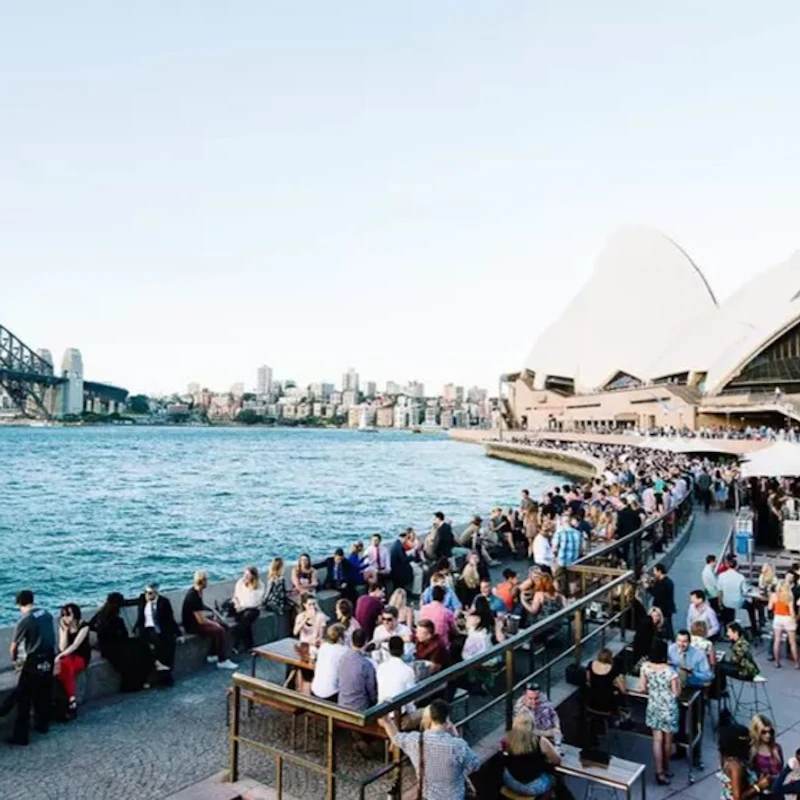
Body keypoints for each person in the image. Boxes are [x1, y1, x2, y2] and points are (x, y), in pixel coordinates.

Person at [380, 699, 480, 800]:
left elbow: (395, 737)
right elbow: (475, 765)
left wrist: (386, 719)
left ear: (430, 718)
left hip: (427, 796)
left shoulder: (415, 741)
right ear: (447, 719)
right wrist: (456, 736)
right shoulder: (458, 746)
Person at [6, 590, 55, 745]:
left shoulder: (25, 620)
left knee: (24, 699)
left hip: (34, 661)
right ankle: (43, 725)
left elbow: (14, 647)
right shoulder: (46, 614)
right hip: (49, 658)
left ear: (19, 603)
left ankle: (21, 736)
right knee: (43, 693)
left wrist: (15, 661)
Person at [91, 592, 158, 691]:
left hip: (105, 646)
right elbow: (124, 635)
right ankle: (148, 674)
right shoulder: (117, 620)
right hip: (117, 646)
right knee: (141, 647)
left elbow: (90, 625)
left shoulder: (100, 615)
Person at [639, 639, 680, 786]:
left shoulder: (645, 667)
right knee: (668, 741)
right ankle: (667, 767)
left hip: (654, 704)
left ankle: (659, 772)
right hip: (668, 707)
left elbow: (642, 688)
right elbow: (676, 692)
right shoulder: (670, 671)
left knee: (657, 740)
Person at [181, 572, 238, 669]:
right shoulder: (193, 596)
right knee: (219, 630)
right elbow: (201, 621)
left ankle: (213, 654)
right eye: (206, 580)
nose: (208, 582)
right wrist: (214, 623)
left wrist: (211, 610)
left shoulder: (198, 592)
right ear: (202, 582)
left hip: (196, 621)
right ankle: (222, 660)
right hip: (191, 625)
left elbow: (200, 606)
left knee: (224, 626)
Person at [502, 713, 561, 797]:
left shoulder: (508, 739)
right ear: (532, 726)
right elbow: (557, 760)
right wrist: (557, 747)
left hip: (510, 781)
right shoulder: (541, 741)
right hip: (532, 787)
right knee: (554, 778)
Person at [134, 583, 181, 678]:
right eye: (146, 592)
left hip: (161, 629)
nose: (147, 595)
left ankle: (166, 673)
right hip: (146, 629)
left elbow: (170, 619)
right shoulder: (142, 599)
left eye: (150, 593)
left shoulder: (164, 602)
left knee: (169, 644)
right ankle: (162, 672)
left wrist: (179, 633)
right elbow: (129, 602)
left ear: (156, 593)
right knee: (156, 645)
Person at [54, 603, 91, 719]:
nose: (66, 618)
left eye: (69, 615)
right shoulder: (63, 626)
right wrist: (64, 631)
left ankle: (70, 699)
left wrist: (59, 656)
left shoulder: (84, 626)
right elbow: (62, 647)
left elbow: (75, 646)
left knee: (65, 664)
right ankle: (71, 699)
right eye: (64, 615)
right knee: (65, 666)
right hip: (67, 657)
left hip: (81, 657)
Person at [376, 636, 419, 729]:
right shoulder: (407, 670)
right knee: (424, 713)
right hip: (398, 719)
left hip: (382, 715)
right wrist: (412, 713)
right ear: (403, 650)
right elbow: (411, 699)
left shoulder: (380, 667)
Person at [719, 723, 770, 799]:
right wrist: (758, 786)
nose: (751, 743)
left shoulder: (726, 756)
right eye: (748, 741)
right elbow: (737, 798)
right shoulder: (736, 767)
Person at [293, 593, 329, 693]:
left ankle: (307, 691)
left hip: (314, 647)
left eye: (314, 604)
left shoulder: (320, 617)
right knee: (298, 667)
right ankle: (299, 689)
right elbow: (295, 632)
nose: (312, 607)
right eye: (309, 605)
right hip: (303, 647)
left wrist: (317, 642)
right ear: (304, 605)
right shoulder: (300, 617)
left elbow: (321, 636)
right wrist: (306, 619)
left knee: (310, 672)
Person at [718, 556, 761, 636]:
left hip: (726, 602)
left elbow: (720, 591)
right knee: (751, 607)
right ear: (736, 566)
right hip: (738, 602)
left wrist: (720, 603)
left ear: (727, 565)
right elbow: (745, 591)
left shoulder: (721, 576)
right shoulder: (740, 577)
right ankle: (754, 628)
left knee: (728, 607)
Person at [338, 628, 377, 711]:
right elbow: (372, 692)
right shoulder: (366, 665)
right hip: (359, 708)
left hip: (342, 703)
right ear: (366, 642)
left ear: (351, 641)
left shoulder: (342, 659)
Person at [231, 565, 265, 653]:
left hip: (252, 609)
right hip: (239, 607)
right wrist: (237, 604)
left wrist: (243, 607)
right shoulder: (240, 582)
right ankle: (250, 646)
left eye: (248, 575)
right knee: (245, 623)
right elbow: (235, 596)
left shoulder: (260, 585)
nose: (245, 577)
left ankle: (236, 643)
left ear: (253, 576)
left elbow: (255, 602)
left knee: (246, 617)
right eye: (245, 574)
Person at [310, 623, 348, 702]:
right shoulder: (344, 650)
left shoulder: (324, 646)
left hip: (314, 690)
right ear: (340, 637)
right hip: (330, 695)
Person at [585, 647, 626, 718]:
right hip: (607, 704)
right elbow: (623, 689)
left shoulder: (590, 664)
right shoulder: (612, 668)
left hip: (592, 702)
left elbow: (588, 680)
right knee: (618, 694)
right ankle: (619, 714)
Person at [768, 578, 799, 669]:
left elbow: (769, 608)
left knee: (777, 640)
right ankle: (796, 663)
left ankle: (777, 662)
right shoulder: (789, 596)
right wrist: (795, 619)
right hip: (788, 618)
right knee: (792, 642)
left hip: (777, 617)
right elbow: (792, 612)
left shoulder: (774, 595)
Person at [419, 585, 458, 652]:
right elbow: (454, 631)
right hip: (441, 646)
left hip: (424, 643)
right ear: (444, 598)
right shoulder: (447, 612)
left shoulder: (423, 609)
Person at [749, 714, 785, 784]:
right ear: (757, 732)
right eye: (764, 732)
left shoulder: (777, 748)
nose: (768, 735)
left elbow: (781, 769)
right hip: (759, 787)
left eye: (770, 732)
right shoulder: (752, 750)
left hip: (777, 787)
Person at [647, 564, 676, 639]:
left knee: (666, 626)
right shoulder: (663, 581)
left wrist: (648, 588)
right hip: (663, 607)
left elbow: (657, 594)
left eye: (655, 571)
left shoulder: (665, 583)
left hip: (664, 608)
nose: (654, 573)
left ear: (659, 571)